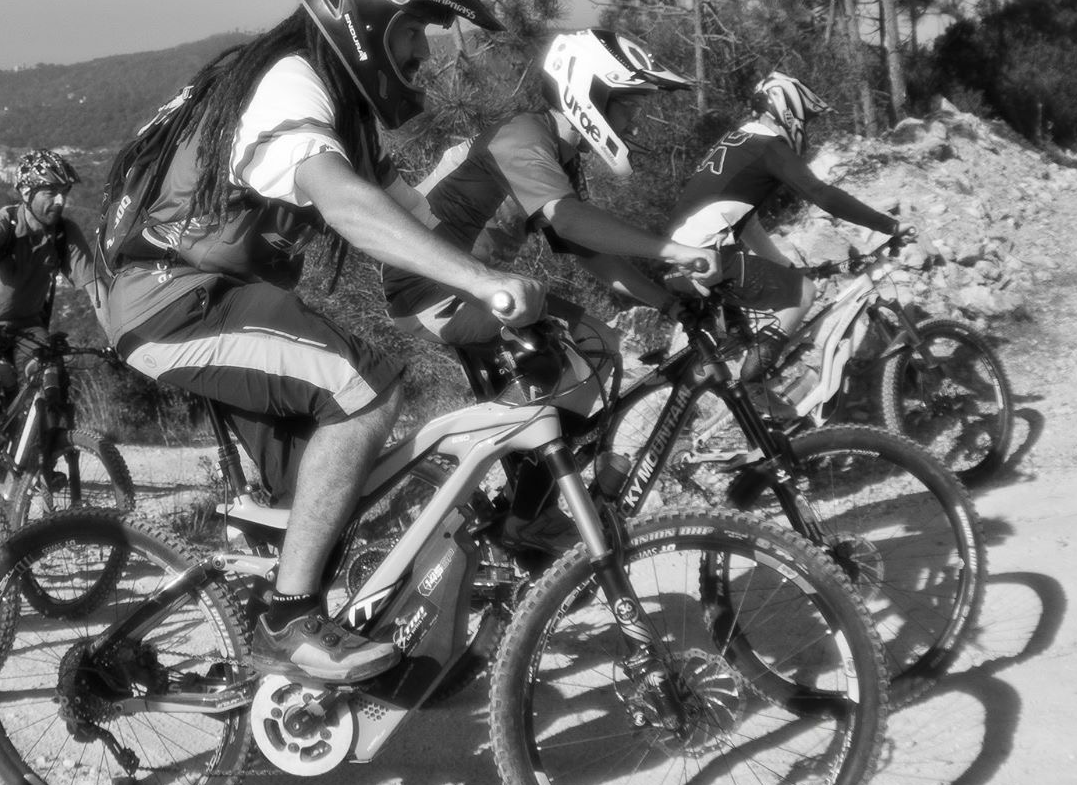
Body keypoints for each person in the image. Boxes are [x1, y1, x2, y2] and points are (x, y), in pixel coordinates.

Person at [102, 0, 543, 685]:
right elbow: (345, 205)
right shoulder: (290, 82)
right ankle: (287, 622)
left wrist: (492, 286)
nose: (425, 54)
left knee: (328, 497)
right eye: (413, 30)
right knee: (365, 388)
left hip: (209, 297)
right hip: (170, 302)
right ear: (362, 14)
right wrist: (484, 285)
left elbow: (414, 220)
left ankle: (279, 670)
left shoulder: (337, 105)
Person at [381, 28, 720, 551]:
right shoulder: (523, 136)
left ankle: (523, 493)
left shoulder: (556, 152)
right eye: (629, 106)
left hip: (468, 287)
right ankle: (526, 515)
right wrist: (672, 252)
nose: (634, 122)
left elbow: (588, 250)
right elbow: (571, 219)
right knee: (590, 353)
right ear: (590, 94)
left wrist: (667, 302)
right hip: (432, 293)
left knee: (597, 349)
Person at [668, 71, 903, 368]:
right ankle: (754, 387)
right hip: (706, 256)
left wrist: (787, 268)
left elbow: (747, 224)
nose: (805, 128)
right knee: (803, 293)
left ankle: (739, 391)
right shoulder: (768, 146)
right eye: (805, 120)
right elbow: (823, 195)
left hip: (674, 256)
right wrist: (889, 225)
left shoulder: (738, 141)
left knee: (737, 341)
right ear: (789, 112)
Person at [0, 148, 106, 475]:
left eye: (64, 193)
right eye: (50, 192)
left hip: (27, 328)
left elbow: (95, 287)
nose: (60, 201)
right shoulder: (1, 223)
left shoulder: (64, 233)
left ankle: (39, 462)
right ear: (25, 192)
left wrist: (116, 335)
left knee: (51, 378)